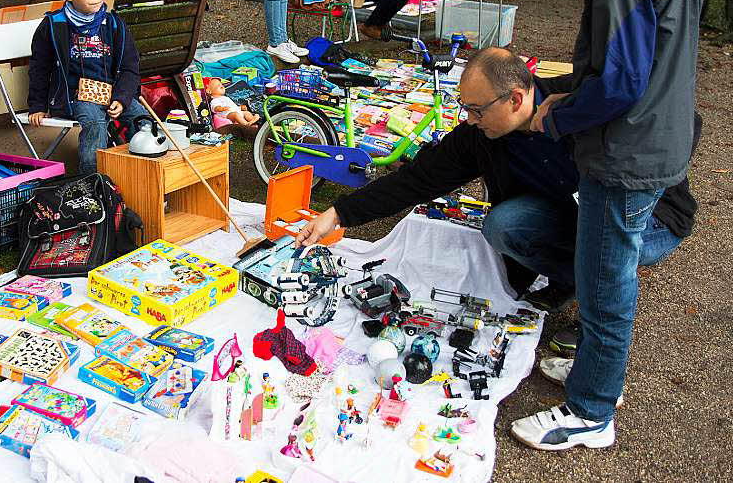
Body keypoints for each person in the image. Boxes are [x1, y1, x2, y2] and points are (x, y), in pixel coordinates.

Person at [295, 47, 700, 379]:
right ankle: (576, 276)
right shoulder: (481, 135)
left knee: (603, 245)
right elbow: (417, 180)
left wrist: (639, 178)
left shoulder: (577, 102)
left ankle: (602, 307)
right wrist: (339, 212)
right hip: (569, 213)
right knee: (503, 226)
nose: (469, 119)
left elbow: (684, 121)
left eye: (476, 109)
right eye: (464, 108)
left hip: (649, 216)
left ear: (516, 99)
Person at [523, 0, 700, 450]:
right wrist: (577, 84)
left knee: (605, 276)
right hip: (658, 138)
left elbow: (622, 83)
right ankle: (601, 372)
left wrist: (560, 114)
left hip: (626, 152)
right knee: (607, 268)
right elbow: (650, 64)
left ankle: (592, 410)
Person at [26, 0, 150, 176]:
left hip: (111, 94)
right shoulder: (54, 26)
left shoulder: (113, 24)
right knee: (94, 123)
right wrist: (37, 105)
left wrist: (122, 98)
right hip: (75, 96)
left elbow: (130, 67)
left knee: (143, 120)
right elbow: (39, 68)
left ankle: (140, 172)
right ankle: (92, 180)